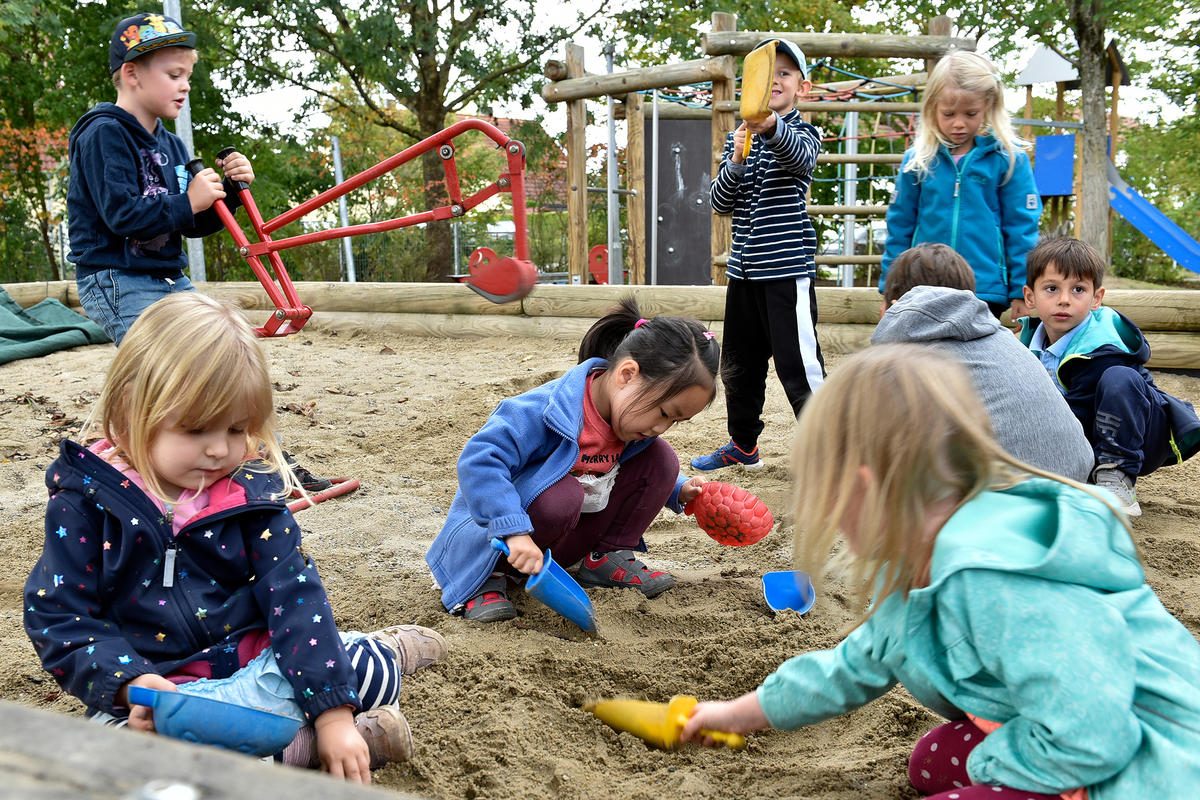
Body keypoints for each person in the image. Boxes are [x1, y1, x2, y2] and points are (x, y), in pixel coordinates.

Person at [680, 344, 1200, 799]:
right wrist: (737, 714)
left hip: (1148, 767)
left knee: (969, 766)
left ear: (864, 487)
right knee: (929, 761)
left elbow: (1094, 737)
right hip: (1070, 725)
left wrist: (988, 767)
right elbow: (850, 667)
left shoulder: (992, 575)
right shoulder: (915, 564)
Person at [24, 292, 447, 785]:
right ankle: (309, 747)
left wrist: (332, 715)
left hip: (261, 671)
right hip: (168, 697)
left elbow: (295, 599)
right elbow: (59, 615)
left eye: (237, 428)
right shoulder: (85, 506)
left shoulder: (251, 498)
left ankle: (382, 655)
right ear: (126, 414)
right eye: (195, 428)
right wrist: (129, 684)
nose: (219, 449)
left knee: (362, 669)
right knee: (129, 761)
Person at [67, 12, 331, 492]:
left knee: (223, 357)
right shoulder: (104, 132)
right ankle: (143, 471)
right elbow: (121, 216)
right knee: (173, 372)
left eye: (187, 74)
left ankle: (261, 462)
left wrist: (226, 192)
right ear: (131, 73)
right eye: (173, 74)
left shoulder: (167, 143)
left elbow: (191, 222)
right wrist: (188, 199)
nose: (184, 85)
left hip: (164, 275)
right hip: (117, 276)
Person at [426, 298, 719, 622]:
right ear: (626, 375)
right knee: (563, 496)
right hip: (498, 539)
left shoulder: (628, 419)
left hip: (558, 538)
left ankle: (601, 558)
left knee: (662, 459)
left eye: (675, 421)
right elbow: (480, 460)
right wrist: (512, 531)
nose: (661, 427)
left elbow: (622, 463)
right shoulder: (544, 410)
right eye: (664, 413)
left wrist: (678, 490)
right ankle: (491, 576)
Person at [693, 38, 824, 472]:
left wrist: (769, 128)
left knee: (799, 366)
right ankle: (743, 444)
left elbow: (800, 160)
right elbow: (720, 203)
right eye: (769, 74)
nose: (776, 80)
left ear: (802, 88)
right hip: (744, 273)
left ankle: (831, 450)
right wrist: (735, 162)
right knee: (739, 364)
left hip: (787, 270)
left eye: (785, 73)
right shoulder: (742, 138)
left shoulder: (803, 133)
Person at [872, 243, 1094, 481]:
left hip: (1017, 499)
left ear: (893, 308)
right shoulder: (1000, 338)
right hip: (1076, 484)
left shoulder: (914, 355)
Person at [1017, 237, 1200, 517]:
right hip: (1083, 437)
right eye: (1051, 288)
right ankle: (1083, 475)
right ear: (1030, 297)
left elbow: (1070, 414)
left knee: (1120, 378)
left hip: (1136, 436)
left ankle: (1116, 477)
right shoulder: (1024, 348)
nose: (1064, 299)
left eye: (1078, 289)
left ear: (1096, 298)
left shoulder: (1105, 345)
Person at [880, 50, 1042, 322]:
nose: (958, 123)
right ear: (932, 108)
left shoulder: (1007, 160)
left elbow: (1021, 229)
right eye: (948, 113)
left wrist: (1020, 290)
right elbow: (900, 226)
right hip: (922, 286)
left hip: (984, 287)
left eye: (970, 113)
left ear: (988, 107)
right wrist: (889, 290)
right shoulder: (918, 161)